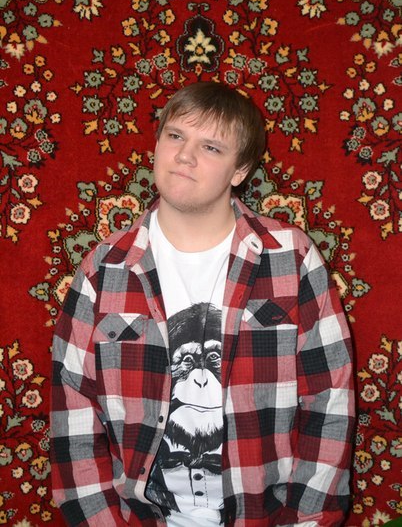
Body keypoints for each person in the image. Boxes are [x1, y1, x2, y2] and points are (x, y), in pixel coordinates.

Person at [50, 81, 355, 527]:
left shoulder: (292, 259)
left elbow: (330, 400)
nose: (185, 156)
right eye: (175, 135)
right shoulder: (104, 268)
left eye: (210, 147)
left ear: (240, 170)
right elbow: (73, 412)